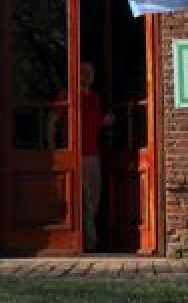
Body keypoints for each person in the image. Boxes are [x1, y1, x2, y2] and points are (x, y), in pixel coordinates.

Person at [79, 61, 114, 252]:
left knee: (95, 198)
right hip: (78, 155)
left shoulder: (95, 97)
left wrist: (104, 122)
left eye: (90, 72)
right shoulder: (68, 96)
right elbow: (52, 120)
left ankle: (87, 240)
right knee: (84, 200)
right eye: (83, 72)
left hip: (94, 154)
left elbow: (95, 125)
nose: (86, 76)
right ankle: (89, 243)